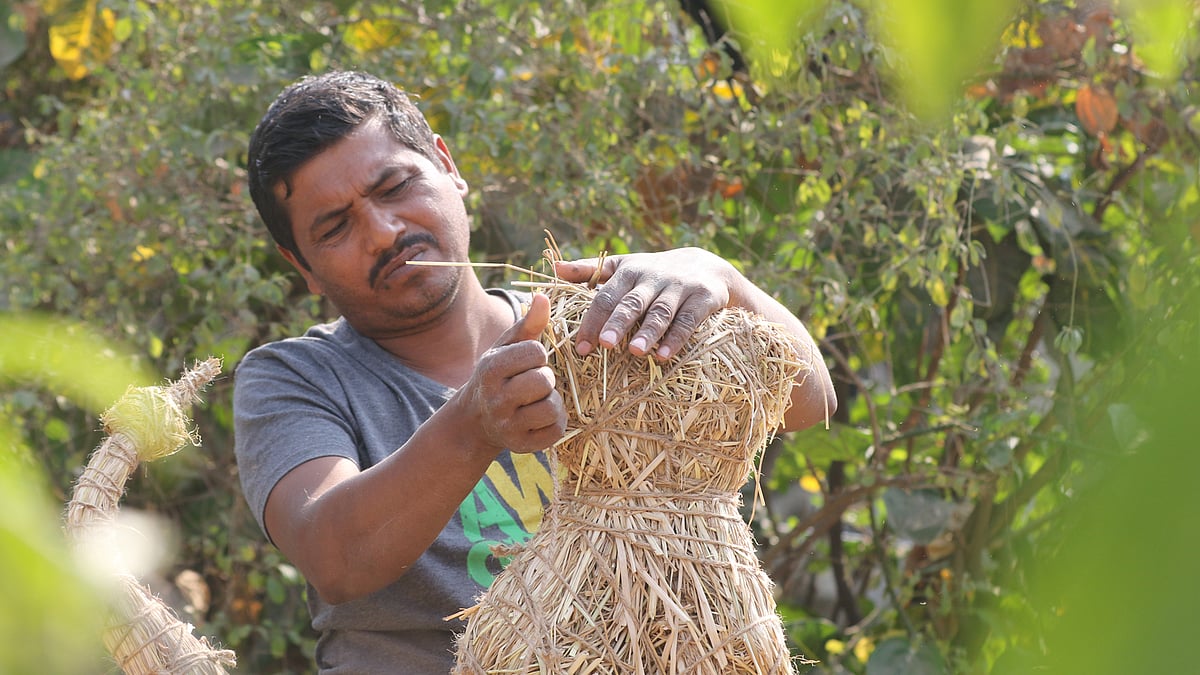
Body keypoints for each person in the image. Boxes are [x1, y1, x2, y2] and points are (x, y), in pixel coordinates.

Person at [233, 69, 836, 674]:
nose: (383, 233)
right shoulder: (295, 378)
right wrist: (471, 426)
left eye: (394, 187)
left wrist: (722, 278)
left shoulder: (594, 323)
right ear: (301, 265)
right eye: (336, 227)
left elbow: (811, 405)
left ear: (447, 166)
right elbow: (336, 558)